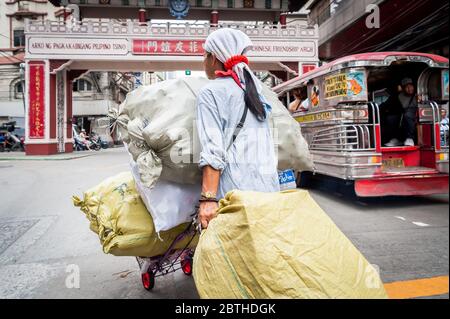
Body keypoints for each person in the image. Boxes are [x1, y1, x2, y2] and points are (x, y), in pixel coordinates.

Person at [196, 28, 280, 229]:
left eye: (205, 56)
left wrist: (208, 199)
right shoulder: (254, 91)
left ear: (213, 58)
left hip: (235, 196)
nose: (203, 61)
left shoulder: (210, 93)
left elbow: (213, 149)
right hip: (268, 193)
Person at [381, 77, 418, 147]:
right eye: (407, 87)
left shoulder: (418, 94)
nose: (409, 88)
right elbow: (392, 105)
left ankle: (410, 138)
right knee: (391, 118)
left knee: (407, 115)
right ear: (403, 88)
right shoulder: (399, 96)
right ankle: (396, 139)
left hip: (415, 113)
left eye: (411, 86)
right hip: (404, 113)